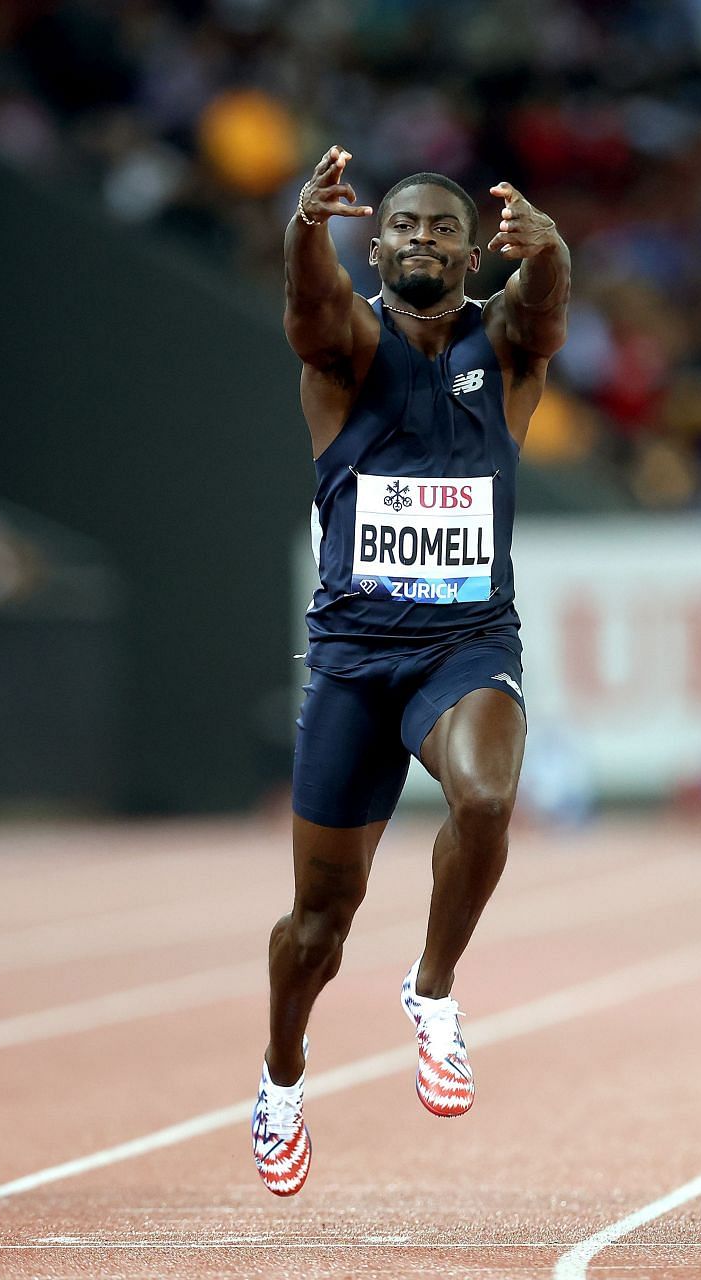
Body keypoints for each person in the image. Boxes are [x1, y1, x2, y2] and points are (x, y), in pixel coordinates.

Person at [251, 147, 569, 1196]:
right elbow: (306, 303)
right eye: (403, 228)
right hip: (351, 657)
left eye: (443, 227)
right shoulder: (344, 344)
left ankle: (432, 992)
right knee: (317, 920)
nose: (422, 239)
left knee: (485, 796)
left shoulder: (507, 346)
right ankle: (282, 1074)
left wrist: (555, 246)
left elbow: (548, 302)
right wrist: (304, 227)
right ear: (375, 247)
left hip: (466, 644)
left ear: (474, 253)